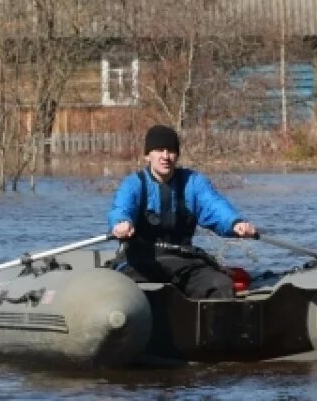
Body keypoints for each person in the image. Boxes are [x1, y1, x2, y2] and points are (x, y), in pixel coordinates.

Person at [107, 124, 257, 299]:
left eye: (171, 151)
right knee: (128, 291)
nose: (165, 156)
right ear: (147, 155)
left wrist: (235, 223)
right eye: (159, 150)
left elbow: (214, 206)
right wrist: (121, 223)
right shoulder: (133, 184)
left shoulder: (193, 182)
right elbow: (122, 208)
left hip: (183, 261)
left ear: (177, 155)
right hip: (140, 262)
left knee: (220, 285)